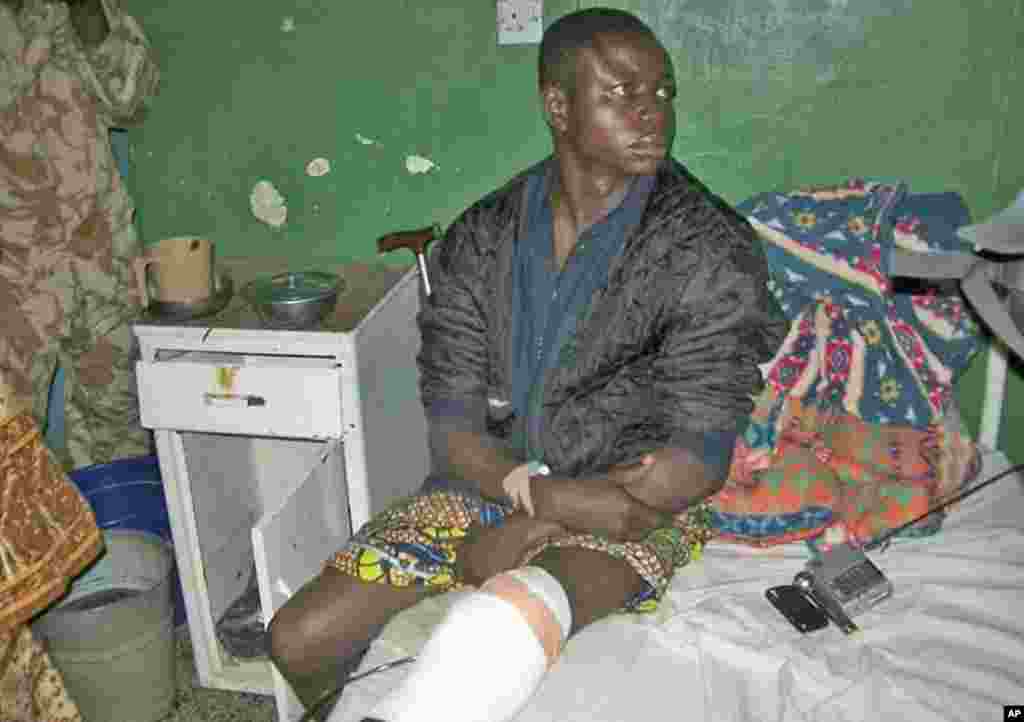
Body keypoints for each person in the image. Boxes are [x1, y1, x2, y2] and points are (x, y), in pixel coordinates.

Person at [269, 8, 787, 722]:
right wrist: (538, 499)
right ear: (557, 106)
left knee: (504, 618)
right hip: (486, 484)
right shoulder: (483, 238)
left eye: (662, 92)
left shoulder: (708, 249)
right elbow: (450, 425)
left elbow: (696, 458)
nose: (652, 114)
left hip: (637, 501)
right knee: (297, 639)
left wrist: (557, 518)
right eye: (621, 94)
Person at [0, 0, 158, 470]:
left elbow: (130, 101)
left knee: (119, 433)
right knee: (8, 444)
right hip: (12, 272)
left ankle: (126, 541)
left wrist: (85, 10)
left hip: (99, 255)